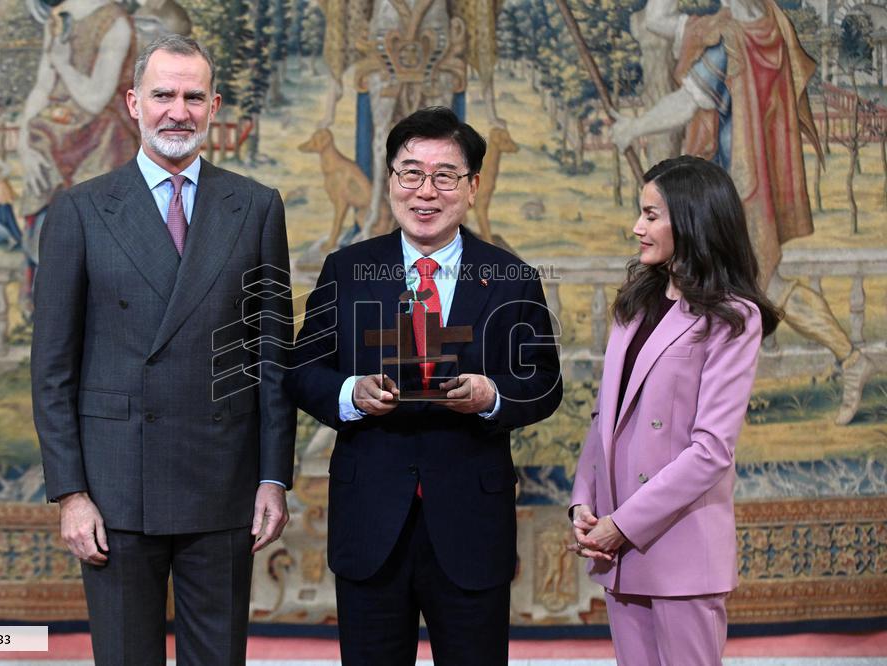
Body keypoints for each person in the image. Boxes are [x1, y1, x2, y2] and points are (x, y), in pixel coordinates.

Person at [31, 35, 295, 665]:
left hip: (223, 481)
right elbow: (52, 370)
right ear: (133, 103)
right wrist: (70, 493)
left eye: (194, 97)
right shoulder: (80, 210)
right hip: (115, 487)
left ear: (214, 106)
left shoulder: (256, 206)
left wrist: (273, 477)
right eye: (163, 95)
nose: (179, 111)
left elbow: (273, 355)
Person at [285, 106, 562, 665]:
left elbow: (544, 382)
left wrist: (493, 397)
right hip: (370, 520)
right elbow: (302, 370)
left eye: (445, 176)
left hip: (470, 521)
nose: (425, 191)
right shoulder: (347, 270)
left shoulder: (511, 278)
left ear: (473, 187)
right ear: (390, 181)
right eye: (410, 173)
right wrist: (351, 394)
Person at [611, 0, 875, 425]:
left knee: (759, 289)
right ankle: (849, 359)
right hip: (745, 190)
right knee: (757, 288)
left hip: (739, 195)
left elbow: (687, 101)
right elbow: (661, 22)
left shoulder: (732, 40)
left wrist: (632, 127)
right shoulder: (767, 23)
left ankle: (850, 358)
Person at [569, 155, 781, 666]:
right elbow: (605, 416)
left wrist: (622, 525)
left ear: (691, 221)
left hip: (678, 548)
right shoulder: (635, 301)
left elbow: (711, 451)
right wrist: (582, 504)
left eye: (650, 215)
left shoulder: (733, 316)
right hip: (618, 548)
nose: (636, 227)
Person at [18, 0, 141, 312]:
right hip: (55, 133)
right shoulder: (58, 19)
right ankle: (50, 307)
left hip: (102, 140)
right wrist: (24, 144)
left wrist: (62, 63)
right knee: (45, 219)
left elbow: (95, 99)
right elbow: (41, 88)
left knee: (97, 236)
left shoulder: (115, 22)